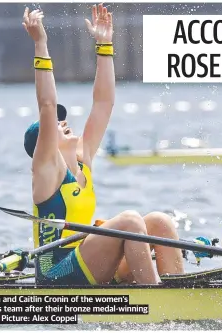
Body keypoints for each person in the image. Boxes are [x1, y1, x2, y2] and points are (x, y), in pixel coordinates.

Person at [22, 5, 183, 286]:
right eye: (54, 126)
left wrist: (104, 45)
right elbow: (47, 106)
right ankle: (157, 304)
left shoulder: (83, 158)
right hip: (55, 271)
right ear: (44, 143)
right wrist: (40, 43)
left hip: (87, 260)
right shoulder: (46, 171)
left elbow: (103, 103)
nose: (62, 122)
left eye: (63, 119)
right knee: (130, 221)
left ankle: (182, 296)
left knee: (159, 222)